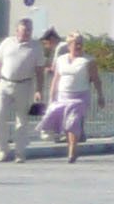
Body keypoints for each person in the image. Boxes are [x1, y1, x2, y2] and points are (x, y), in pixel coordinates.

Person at [0, 17, 44, 162]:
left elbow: (39, 70)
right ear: (17, 30)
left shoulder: (36, 46)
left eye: (30, 30)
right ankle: (3, 149)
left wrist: (39, 89)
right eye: (24, 29)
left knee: (22, 120)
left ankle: (19, 152)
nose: (27, 33)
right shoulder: (7, 43)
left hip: (24, 85)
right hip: (4, 83)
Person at [40, 32, 104, 161]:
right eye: (76, 43)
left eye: (80, 43)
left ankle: (72, 151)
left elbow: (96, 79)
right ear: (69, 45)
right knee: (64, 124)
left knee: (73, 122)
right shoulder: (61, 59)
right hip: (62, 95)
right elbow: (56, 79)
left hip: (80, 96)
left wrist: (100, 95)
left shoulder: (88, 60)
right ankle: (71, 144)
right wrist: (52, 96)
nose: (78, 46)